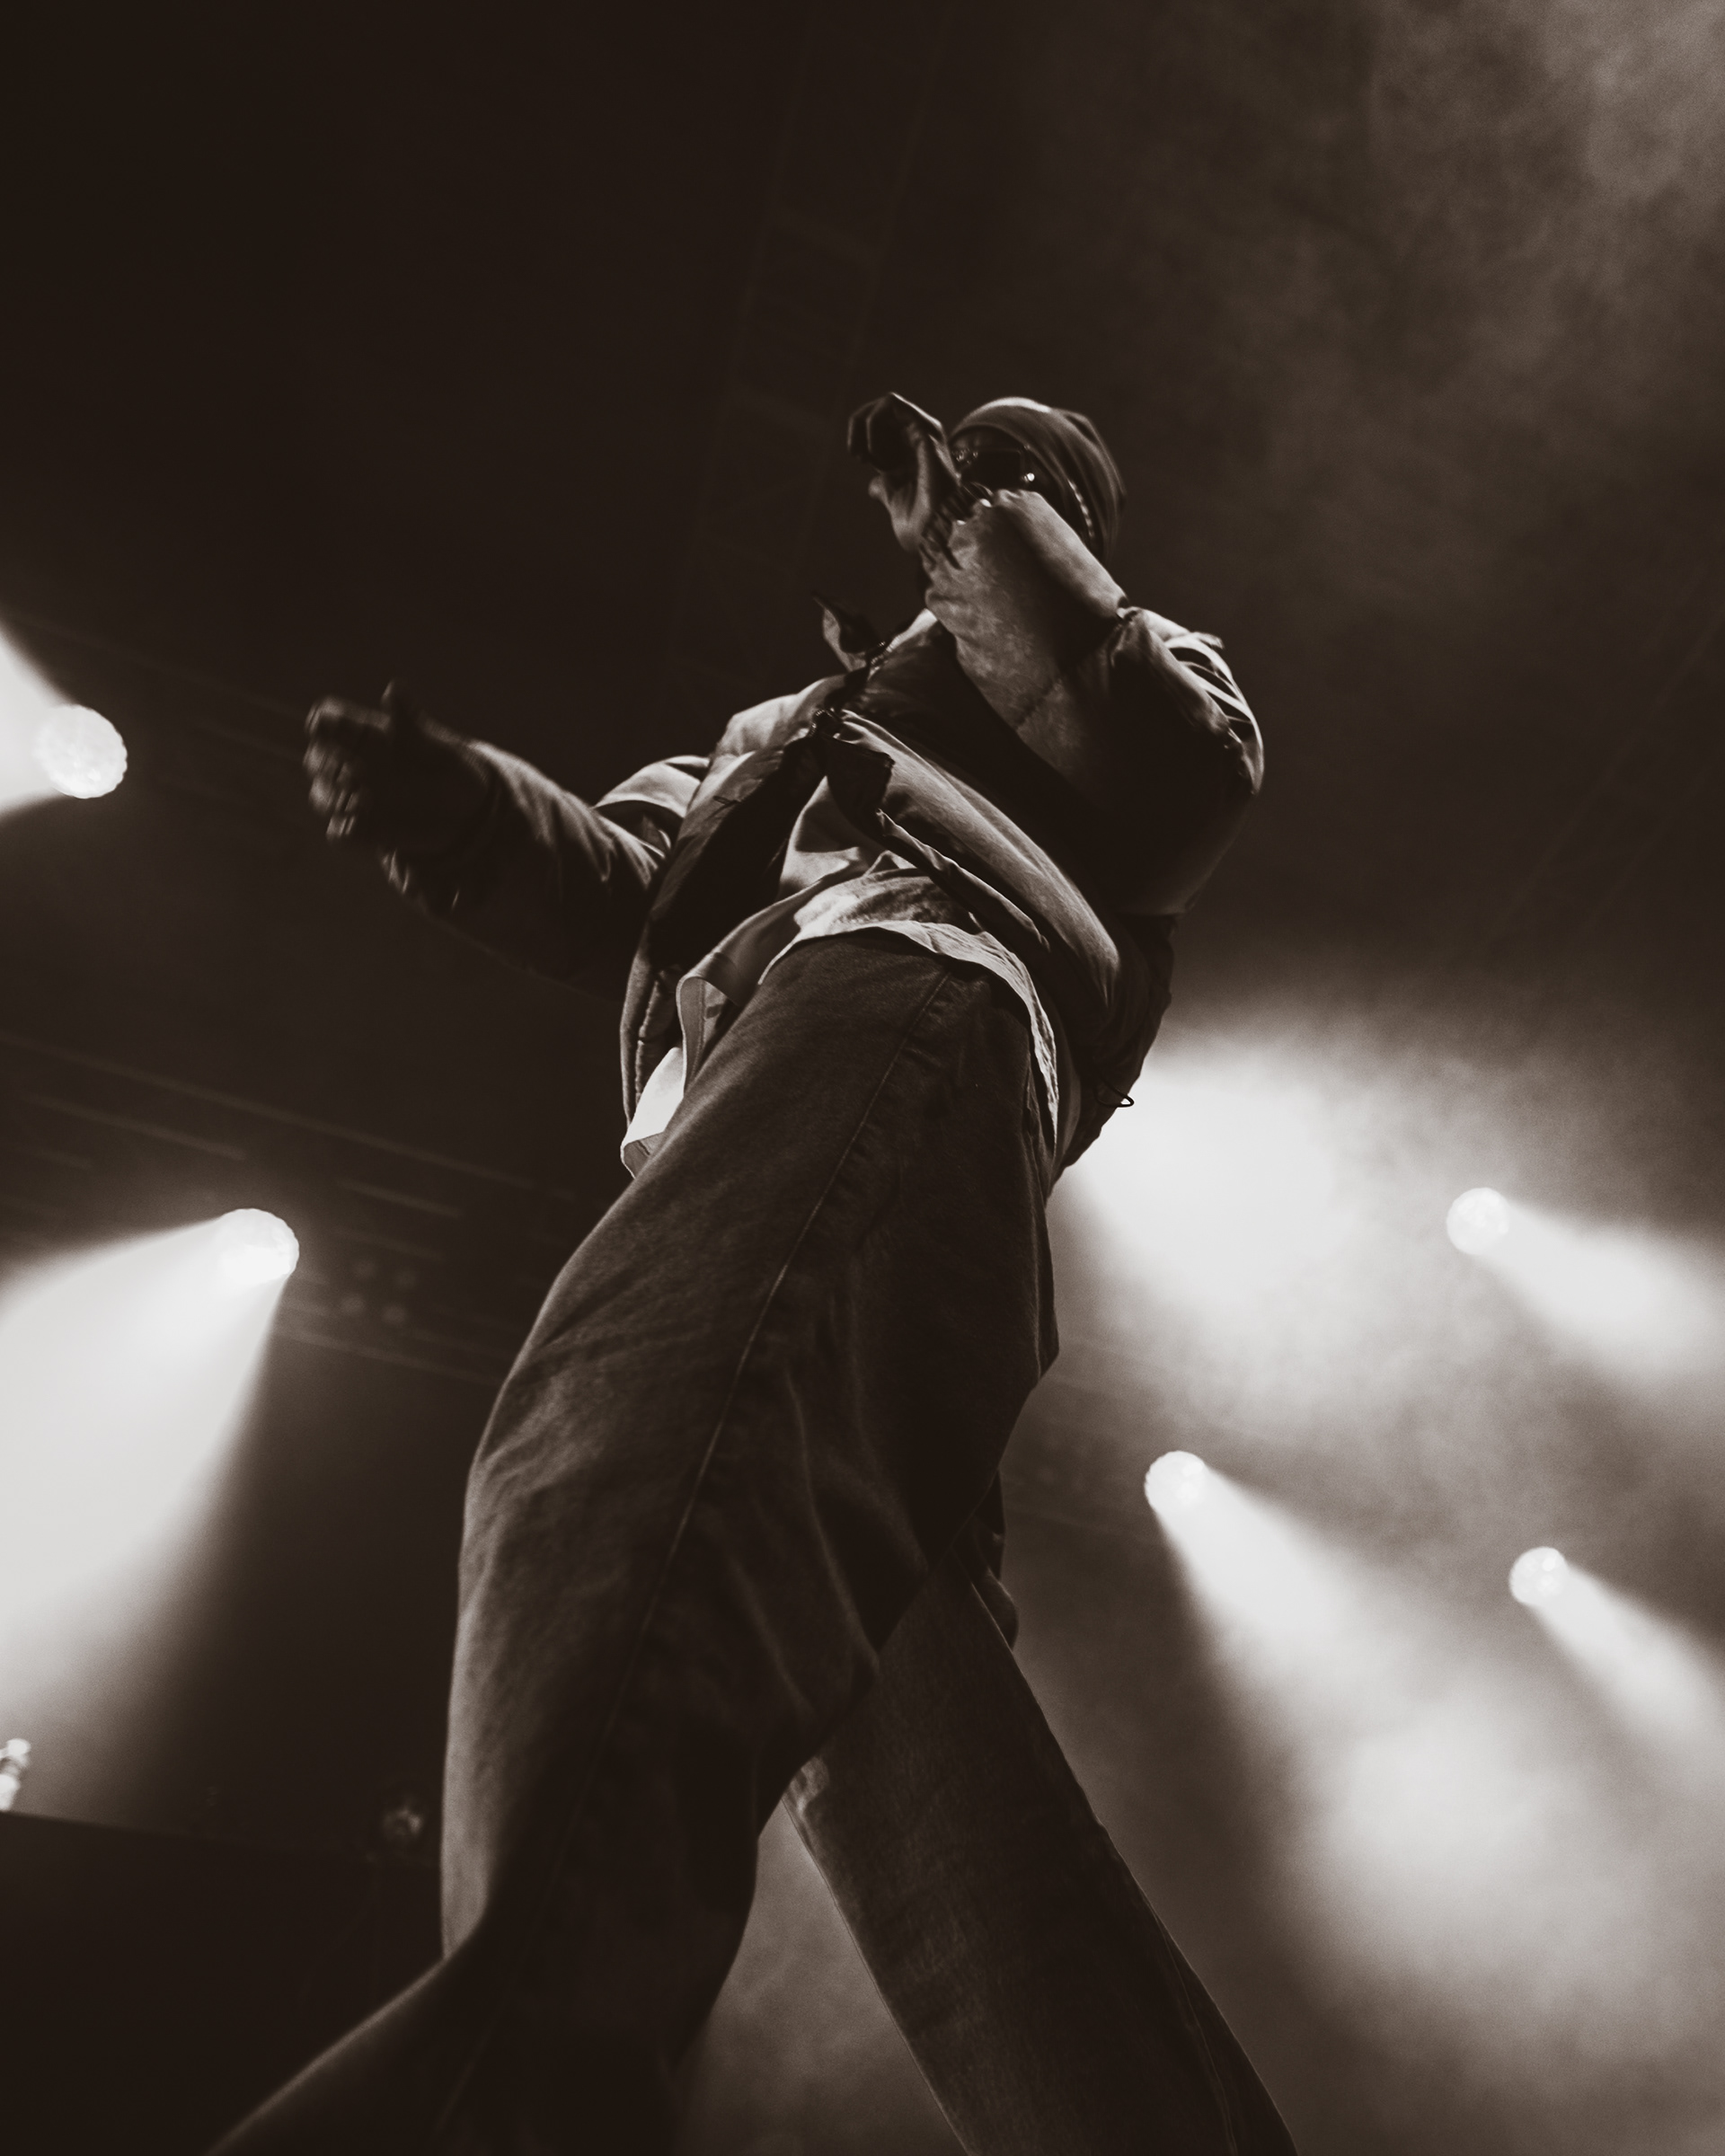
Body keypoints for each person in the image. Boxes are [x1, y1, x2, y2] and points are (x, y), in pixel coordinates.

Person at [213, 393, 1292, 2154]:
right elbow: (635, 883)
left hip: (895, 1021)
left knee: (608, 1475)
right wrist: (468, 814)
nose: (975, 485)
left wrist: (992, 534)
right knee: (942, 1825)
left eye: (1022, 476)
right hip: (807, 1108)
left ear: (1064, 522)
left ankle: (496, 2103)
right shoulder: (789, 728)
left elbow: (1168, 773)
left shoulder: (1138, 661)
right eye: (977, 469)